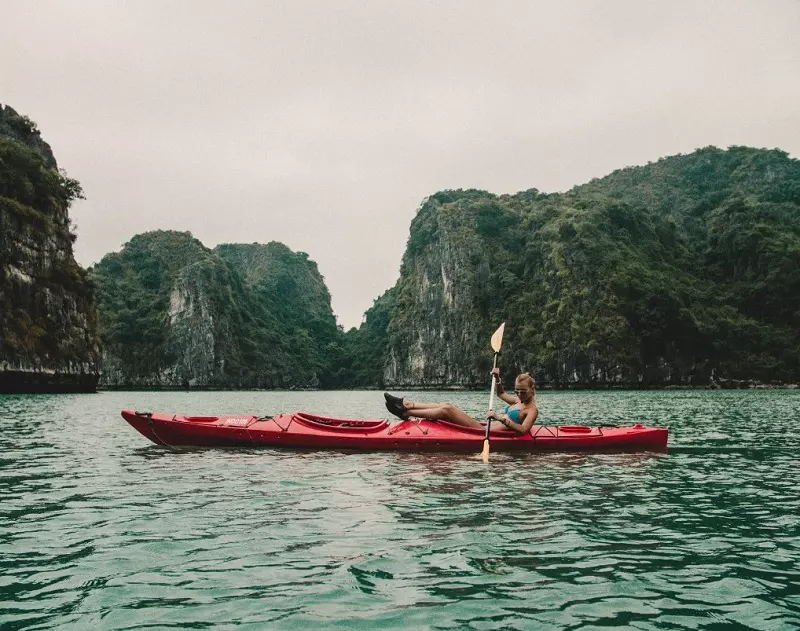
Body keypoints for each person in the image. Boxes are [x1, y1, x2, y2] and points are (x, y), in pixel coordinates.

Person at [383, 369, 539, 435]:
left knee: (448, 409)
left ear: (532, 390)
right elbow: (501, 393)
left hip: (485, 432)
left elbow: (524, 430)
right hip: (486, 427)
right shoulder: (518, 400)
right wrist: (497, 378)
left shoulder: (531, 410)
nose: (518, 394)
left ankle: (405, 411)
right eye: (516, 390)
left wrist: (500, 418)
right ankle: (407, 406)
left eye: (522, 391)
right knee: (444, 404)